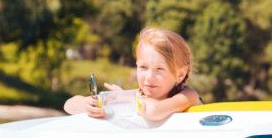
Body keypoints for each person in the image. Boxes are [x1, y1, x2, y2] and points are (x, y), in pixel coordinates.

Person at [64, 27, 201, 122]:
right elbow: (69, 105)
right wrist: (91, 103)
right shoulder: (138, 95)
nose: (149, 77)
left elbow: (153, 111)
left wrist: (124, 99)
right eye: (143, 67)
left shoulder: (188, 96)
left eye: (159, 69)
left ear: (180, 75)